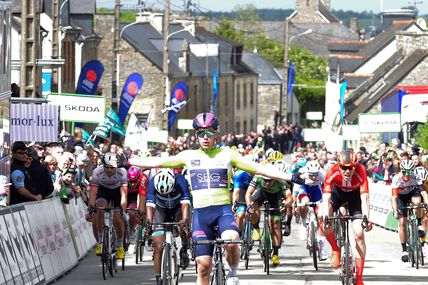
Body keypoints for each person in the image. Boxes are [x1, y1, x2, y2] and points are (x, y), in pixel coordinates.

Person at [130, 112, 292, 285]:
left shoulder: (228, 154)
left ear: (216, 134)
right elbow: (159, 162)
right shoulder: (188, 156)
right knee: (203, 267)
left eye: (209, 133)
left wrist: (291, 177)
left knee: (230, 241)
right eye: (201, 133)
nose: (205, 137)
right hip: (201, 215)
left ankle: (233, 272)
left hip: (222, 211)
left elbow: (260, 169)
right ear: (196, 136)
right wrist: (129, 160)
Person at [322, 149, 372, 285]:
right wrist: (327, 215)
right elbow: (326, 197)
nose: (347, 171)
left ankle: (360, 278)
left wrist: (367, 217)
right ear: (339, 166)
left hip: (354, 197)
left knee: (359, 233)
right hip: (337, 194)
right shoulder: (331, 170)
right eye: (344, 168)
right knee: (322, 216)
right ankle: (335, 248)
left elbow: (365, 198)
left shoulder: (361, 170)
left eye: (350, 168)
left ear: (355, 166)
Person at [146, 169, 190, 285]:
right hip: (161, 210)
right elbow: (150, 207)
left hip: (177, 208)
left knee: (183, 225)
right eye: (163, 193)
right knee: (158, 245)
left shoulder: (181, 181)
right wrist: (149, 225)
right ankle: (158, 278)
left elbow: (185, 205)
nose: (165, 194)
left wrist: (185, 223)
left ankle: (184, 249)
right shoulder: (152, 183)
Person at [245, 160, 293, 266]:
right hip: (261, 193)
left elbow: (289, 198)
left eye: (270, 181)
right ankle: (256, 228)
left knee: (275, 225)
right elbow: (248, 193)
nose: (267, 183)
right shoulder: (258, 177)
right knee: (253, 207)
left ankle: (275, 254)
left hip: (275, 197)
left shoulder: (281, 181)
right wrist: (249, 206)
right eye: (265, 180)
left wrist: (284, 205)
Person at [87, 152, 128, 260]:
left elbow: (124, 193)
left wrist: (123, 209)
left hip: (117, 192)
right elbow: (92, 192)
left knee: (118, 219)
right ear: (103, 165)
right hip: (103, 191)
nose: (109, 170)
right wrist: (90, 208)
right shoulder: (97, 172)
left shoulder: (122, 172)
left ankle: (119, 246)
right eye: (107, 167)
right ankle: (100, 242)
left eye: (112, 167)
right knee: (100, 208)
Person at [391, 160, 427, 262]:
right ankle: (404, 250)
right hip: (401, 197)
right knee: (402, 222)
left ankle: (419, 224)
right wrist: (395, 210)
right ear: (401, 171)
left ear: (412, 171)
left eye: (409, 172)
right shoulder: (396, 179)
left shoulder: (416, 176)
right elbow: (393, 198)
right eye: (404, 172)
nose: (407, 175)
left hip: (412, 193)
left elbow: (424, 193)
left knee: (418, 202)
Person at [291, 160, 328, 260]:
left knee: (321, 217)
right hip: (304, 189)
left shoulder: (322, 174)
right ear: (307, 172)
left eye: (315, 175)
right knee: (304, 203)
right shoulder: (301, 173)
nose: (314, 177)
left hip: (317, 191)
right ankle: (303, 223)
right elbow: (295, 193)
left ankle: (322, 247)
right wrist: (295, 205)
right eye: (311, 175)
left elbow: (327, 191)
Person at [127, 166, 148, 242]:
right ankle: (131, 230)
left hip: (141, 193)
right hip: (129, 195)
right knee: (131, 212)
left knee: (143, 210)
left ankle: (146, 231)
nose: (132, 184)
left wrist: (141, 212)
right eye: (130, 182)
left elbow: (142, 196)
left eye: (135, 181)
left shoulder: (143, 178)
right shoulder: (124, 179)